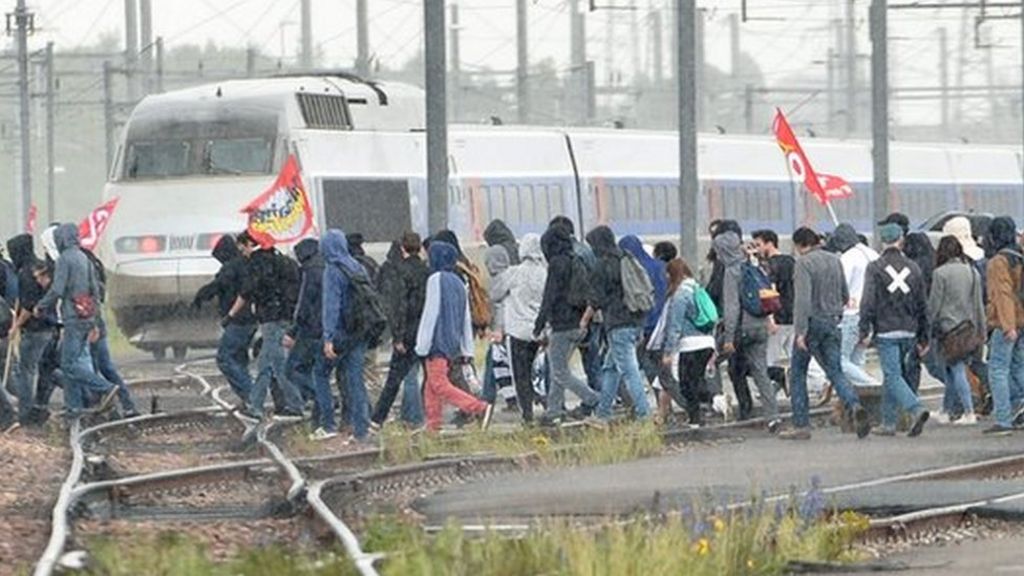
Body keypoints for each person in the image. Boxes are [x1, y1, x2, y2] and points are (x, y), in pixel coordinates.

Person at [781, 226, 869, 440]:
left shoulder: (803, 263)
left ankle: (801, 425)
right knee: (835, 371)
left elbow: (802, 301)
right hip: (833, 322)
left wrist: (800, 332)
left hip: (812, 323)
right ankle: (854, 404)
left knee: (798, 373)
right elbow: (845, 294)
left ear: (799, 245)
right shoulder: (834, 260)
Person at [34, 224, 119, 418]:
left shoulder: (65, 260)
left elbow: (57, 289)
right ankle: (74, 408)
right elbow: (95, 290)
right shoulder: (83, 257)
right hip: (87, 316)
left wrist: (41, 306)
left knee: (68, 365)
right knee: (72, 364)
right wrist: (95, 321)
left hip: (72, 317)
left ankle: (104, 387)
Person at [859, 223, 931, 437]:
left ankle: (916, 408)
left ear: (882, 241)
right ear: (901, 240)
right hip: (910, 329)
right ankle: (888, 422)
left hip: (886, 329)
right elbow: (922, 304)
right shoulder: (914, 267)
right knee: (892, 376)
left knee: (892, 375)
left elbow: (868, 301)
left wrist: (864, 328)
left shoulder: (875, 268)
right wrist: (924, 336)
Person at [415, 240, 494, 432]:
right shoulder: (459, 282)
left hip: (436, 342)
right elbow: (465, 318)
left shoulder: (435, 279)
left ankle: (479, 408)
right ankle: (433, 424)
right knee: (431, 386)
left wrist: (422, 344)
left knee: (439, 384)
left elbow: (430, 313)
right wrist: (467, 348)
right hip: (452, 342)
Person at [229, 231, 304, 420]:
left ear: (250, 245)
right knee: (269, 363)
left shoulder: (257, 264)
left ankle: (294, 403)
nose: (243, 254)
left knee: (274, 364)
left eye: (242, 249)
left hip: (271, 319)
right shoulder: (284, 261)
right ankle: (257, 404)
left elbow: (247, 291)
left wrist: (231, 314)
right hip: (286, 316)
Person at [583, 226, 650, 428]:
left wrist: (584, 320)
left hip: (618, 323)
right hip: (635, 319)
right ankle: (603, 413)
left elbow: (596, 299)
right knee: (611, 368)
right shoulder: (625, 257)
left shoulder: (603, 265)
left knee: (629, 371)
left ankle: (644, 415)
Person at [535, 225, 599, 426]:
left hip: (562, 325)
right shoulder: (574, 259)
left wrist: (539, 323)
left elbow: (550, 295)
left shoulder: (557, 263)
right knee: (558, 369)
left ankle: (593, 398)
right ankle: (553, 410)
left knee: (560, 372)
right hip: (578, 323)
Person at [714, 230, 779, 424]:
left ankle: (721, 403)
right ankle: (772, 417)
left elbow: (732, 307)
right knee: (760, 371)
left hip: (742, 329)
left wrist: (728, 338)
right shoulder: (753, 265)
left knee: (713, 362)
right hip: (760, 325)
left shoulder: (732, 272)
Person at [320, 229, 376, 442]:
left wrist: (328, 337)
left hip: (342, 332)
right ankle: (362, 427)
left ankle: (329, 421)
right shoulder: (356, 266)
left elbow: (331, 306)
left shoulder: (332, 270)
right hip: (360, 330)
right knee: (356, 379)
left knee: (322, 373)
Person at [371, 233, 429, 430]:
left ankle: (378, 419)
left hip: (408, 331)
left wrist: (397, 336)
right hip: (425, 330)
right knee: (431, 377)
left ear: (403, 248)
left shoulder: (400, 271)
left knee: (395, 379)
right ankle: (429, 415)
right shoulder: (427, 271)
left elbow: (400, 306)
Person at [194, 234, 257, 405]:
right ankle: (249, 399)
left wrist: (201, 296)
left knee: (225, 358)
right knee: (240, 359)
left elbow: (218, 285)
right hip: (250, 319)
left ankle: (251, 396)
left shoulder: (231, 267)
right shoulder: (246, 264)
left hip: (238, 320)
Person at [928, 236, 985, 425]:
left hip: (948, 329)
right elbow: (978, 304)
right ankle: (946, 410)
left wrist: (927, 326)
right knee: (952, 369)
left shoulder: (940, 274)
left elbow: (935, 304)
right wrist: (981, 330)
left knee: (956, 369)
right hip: (968, 328)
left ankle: (969, 411)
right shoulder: (972, 272)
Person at [492, 234, 547, 423]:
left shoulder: (514, 273)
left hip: (517, 331)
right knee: (537, 372)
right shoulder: (544, 273)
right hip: (538, 331)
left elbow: (495, 294)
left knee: (520, 375)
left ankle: (527, 415)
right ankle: (545, 401)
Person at [655, 258, 716, 426]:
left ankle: (698, 417)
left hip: (690, 345)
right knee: (696, 381)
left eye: (668, 274)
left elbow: (675, 326)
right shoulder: (698, 288)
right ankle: (707, 408)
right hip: (707, 343)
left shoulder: (680, 295)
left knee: (686, 385)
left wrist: (668, 352)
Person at [548, 216, 601, 393]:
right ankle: (600, 399)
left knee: (559, 366)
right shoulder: (586, 250)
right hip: (593, 313)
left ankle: (593, 399)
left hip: (573, 316)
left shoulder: (566, 255)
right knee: (592, 361)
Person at [981, 216, 1024, 435]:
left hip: (1006, 323)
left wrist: (1008, 326)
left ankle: (1003, 419)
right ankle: (1020, 406)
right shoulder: (1019, 256)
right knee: (1018, 367)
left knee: (997, 369)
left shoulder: (998, 261)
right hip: (1022, 319)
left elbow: (1002, 294)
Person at [7, 234, 54, 427]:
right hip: (50, 326)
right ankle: (41, 406)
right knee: (47, 368)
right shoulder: (42, 266)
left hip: (34, 329)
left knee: (25, 371)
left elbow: (27, 306)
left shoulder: (26, 273)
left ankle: (25, 413)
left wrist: (16, 326)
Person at [827, 224, 881, 388]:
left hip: (851, 313)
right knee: (857, 360)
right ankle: (863, 394)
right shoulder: (873, 254)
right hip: (872, 313)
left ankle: (874, 385)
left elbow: (840, 286)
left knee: (839, 360)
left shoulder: (848, 258)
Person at [619, 235, 669, 387]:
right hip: (663, 319)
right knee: (660, 360)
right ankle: (665, 391)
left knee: (642, 360)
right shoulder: (660, 266)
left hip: (643, 320)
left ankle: (657, 389)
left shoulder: (631, 269)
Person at [751, 229, 796, 395]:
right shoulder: (791, 261)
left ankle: (768, 389)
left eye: (758, 245)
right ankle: (813, 383)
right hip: (794, 315)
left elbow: (770, 292)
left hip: (778, 317)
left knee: (769, 358)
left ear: (769, 243)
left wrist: (770, 318)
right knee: (795, 355)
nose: (756, 249)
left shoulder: (770, 265)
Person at [283, 238, 325, 417]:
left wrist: (293, 331)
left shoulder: (310, 271)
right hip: (327, 327)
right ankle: (320, 406)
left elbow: (305, 304)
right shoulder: (327, 266)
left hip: (310, 329)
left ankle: (322, 398)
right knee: (315, 369)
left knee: (292, 368)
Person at [481, 244, 516, 410]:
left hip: (501, 330)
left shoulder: (497, 282)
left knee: (493, 365)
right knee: (507, 366)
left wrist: (498, 329)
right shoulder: (513, 276)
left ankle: (487, 400)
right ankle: (511, 399)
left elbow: (500, 307)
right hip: (514, 328)